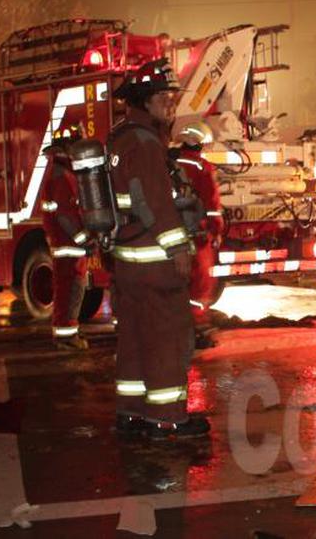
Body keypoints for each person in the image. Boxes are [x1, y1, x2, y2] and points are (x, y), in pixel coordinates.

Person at [109, 58, 207, 440]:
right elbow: (154, 202)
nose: (170, 103)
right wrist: (178, 248)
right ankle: (168, 418)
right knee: (167, 336)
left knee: (134, 337)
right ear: (145, 100)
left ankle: (131, 412)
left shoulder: (119, 137)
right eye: (164, 97)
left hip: (128, 262)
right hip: (154, 260)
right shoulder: (146, 143)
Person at [171, 121, 224, 344]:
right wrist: (217, 229)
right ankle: (198, 326)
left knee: (178, 281)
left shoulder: (169, 163)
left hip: (174, 232)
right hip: (199, 233)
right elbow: (212, 204)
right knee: (200, 282)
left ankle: (178, 324)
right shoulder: (203, 167)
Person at [40, 127, 90, 349]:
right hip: (69, 246)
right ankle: (67, 338)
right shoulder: (62, 175)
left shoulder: (59, 171)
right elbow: (66, 215)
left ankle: (66, 334)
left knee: (67, 290)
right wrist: (84, 239)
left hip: (66, 245)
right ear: (66, 146)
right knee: (71, 290)